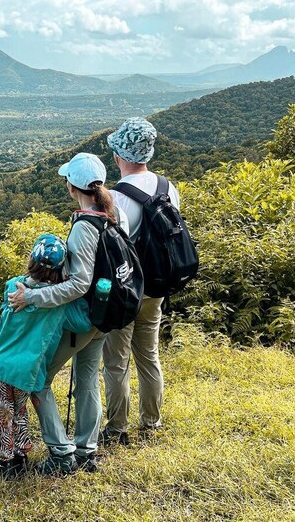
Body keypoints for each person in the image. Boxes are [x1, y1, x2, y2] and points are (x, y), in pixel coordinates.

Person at [8, 152, 128, 476]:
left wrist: (32, 296)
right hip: (104, 316)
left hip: (84, 319)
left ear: (72, 186)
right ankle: (87, 451)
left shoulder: (84, 228)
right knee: (88, 379)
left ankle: (62, 456)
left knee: (39, 381)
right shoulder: (112, 215)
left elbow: (78, 285)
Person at [100, 117, 181, 445]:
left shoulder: (116, 198)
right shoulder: (168, 187)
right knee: (149, 355)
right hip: (158, 286)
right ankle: (152, 421)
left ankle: (117, 427)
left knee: (116, 361)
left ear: (120, 156)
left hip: (127, 291)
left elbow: (111, 249)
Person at [0, 233, 92, 480]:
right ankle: (20, 457)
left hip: (2, 364)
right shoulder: (58, 303)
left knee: (3, 413)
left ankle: (5, 463)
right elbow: (82, 323)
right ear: (60, 271)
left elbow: (6, 307)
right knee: (20, 410)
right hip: (28, 370)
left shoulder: (14, 286)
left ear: (31, 261)